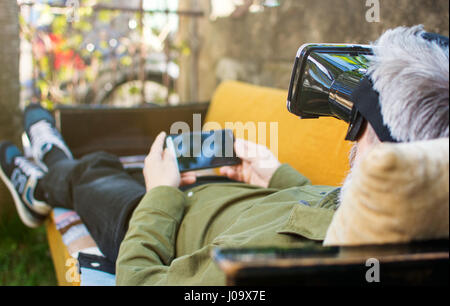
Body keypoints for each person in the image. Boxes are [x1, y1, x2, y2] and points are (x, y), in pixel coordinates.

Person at [0, 25, 448, 286]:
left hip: (152, 220)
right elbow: (322, 205)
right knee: (117, 162)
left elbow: (139, 282)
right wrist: (275, 174)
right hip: (207, 194)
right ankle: (48, 164)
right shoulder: (380, 209)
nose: (349, 143)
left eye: (357, 126)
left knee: (96, 168)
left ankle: (43, 174)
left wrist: (160, 194)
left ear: (392, 159)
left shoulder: (266, 273)